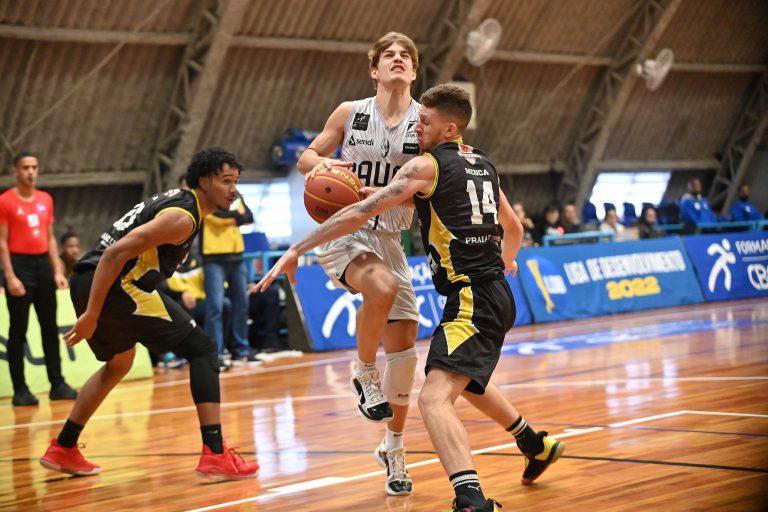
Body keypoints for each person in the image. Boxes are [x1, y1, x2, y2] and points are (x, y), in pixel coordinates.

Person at [255, 84, 564, 512]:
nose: (417, 127)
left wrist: (297, 248)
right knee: (461, 381)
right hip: (493, 293)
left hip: (472, 298)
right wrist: (505, 262)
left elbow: (361, 213)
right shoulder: (483, 164)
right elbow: (514, 227)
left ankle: (471, 500)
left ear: (449, 129)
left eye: (426, 122)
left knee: (433, 399)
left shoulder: (425, 165)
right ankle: (533, 443)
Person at [38, 147, 259, 481]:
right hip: (113, 284)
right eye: (226, 181)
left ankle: (64, 446)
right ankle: (215, 454)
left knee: (119, 364)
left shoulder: (178, 201)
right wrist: (93, 314)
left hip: (89, 280)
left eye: (236, 182)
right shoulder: (183, 217)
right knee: (203, 349)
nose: (234, 190)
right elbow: (115, 254)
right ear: (204, 181)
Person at [295, 32, 422, 496]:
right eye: (389, 55)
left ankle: (394, 448)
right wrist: (324, 168)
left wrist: (391, 194)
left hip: (392, 236)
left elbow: (432, 184)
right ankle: (364, 371)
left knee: (406, 354)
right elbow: (307, 156)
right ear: (374, 69)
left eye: (405, 56)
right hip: (347, 229)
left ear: (414, 71)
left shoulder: (425, 122)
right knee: (381, 287)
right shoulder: (351, 113)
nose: (397, 59)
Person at [0, 151, 77, 406]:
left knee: (49, 327)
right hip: (19, 266)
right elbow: (2, 242)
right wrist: (9, 276)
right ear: (15, 171)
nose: (31, 172)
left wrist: (57, 271)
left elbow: (50, 237)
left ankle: (57, 384)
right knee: (18, 330)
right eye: (25, 167)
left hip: (43, 265)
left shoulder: (45, 199)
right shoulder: (5, 201)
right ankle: (20, 390)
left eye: (34, 167)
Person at [200, 187, 260, 365]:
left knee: (242, 304)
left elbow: (249, 217)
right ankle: (215, 354)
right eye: (227, 179)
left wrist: (235, 217)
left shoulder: (236, 196)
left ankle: (241, 350)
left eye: (234, 180)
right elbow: (215, 217)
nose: (232, 184)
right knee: (215, 307)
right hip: (213, 258)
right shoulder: (207, 195)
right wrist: (237, 216)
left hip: (237, 257)